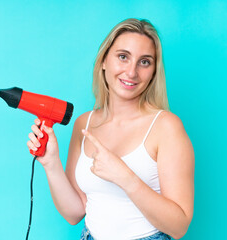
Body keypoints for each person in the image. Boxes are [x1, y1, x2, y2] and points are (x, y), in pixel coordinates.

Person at [27, 18, 194, 240]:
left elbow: (179, 226)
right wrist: (51, 163)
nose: (132, 72)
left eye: (144, 62)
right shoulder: (84, 124)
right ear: (104, 60)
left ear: (154, 72)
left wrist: (126, 177)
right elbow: (75, 213)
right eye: (123, 57)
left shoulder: (166, 127)